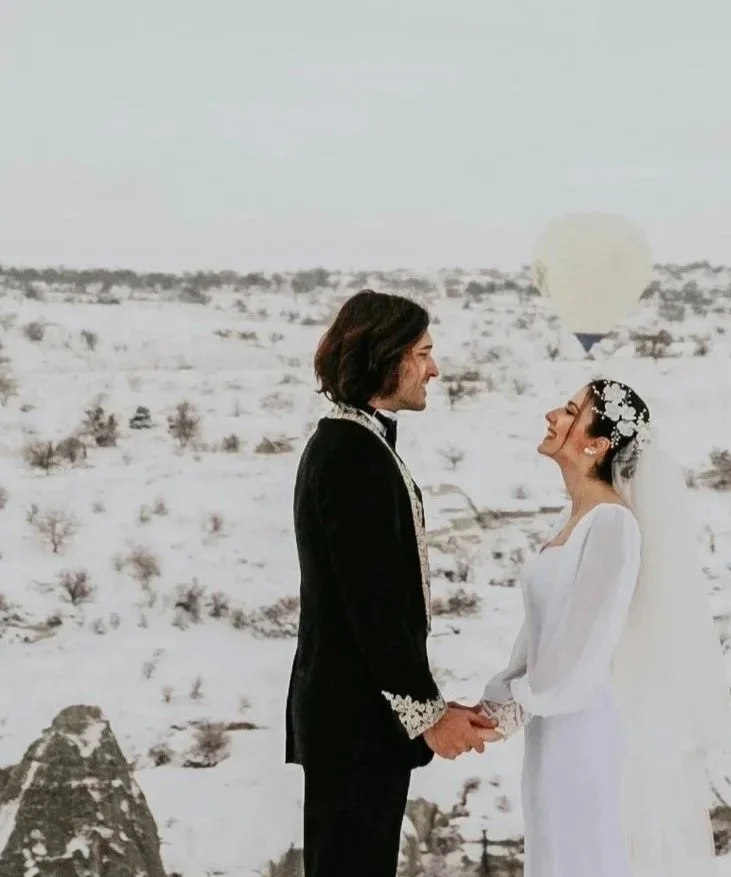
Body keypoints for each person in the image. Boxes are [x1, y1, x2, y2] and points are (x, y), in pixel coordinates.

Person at [475, 379, 728, 877]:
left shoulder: (612, 524)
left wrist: (509, 710)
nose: (552, 415)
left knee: (584, 854)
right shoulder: (573, 519)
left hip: (584, 728)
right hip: (552, 723)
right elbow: (541, 636)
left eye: (570, 411)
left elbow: (582, 646)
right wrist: (498, 699)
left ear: (596, 445)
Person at [287, 290, 497, 877]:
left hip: (355, 716)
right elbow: (373, 607)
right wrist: (428, 715)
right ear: (386, 357)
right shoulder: (354, 455)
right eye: (424, 353)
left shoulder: (355, 443)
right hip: (356, 721)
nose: (435, 368)